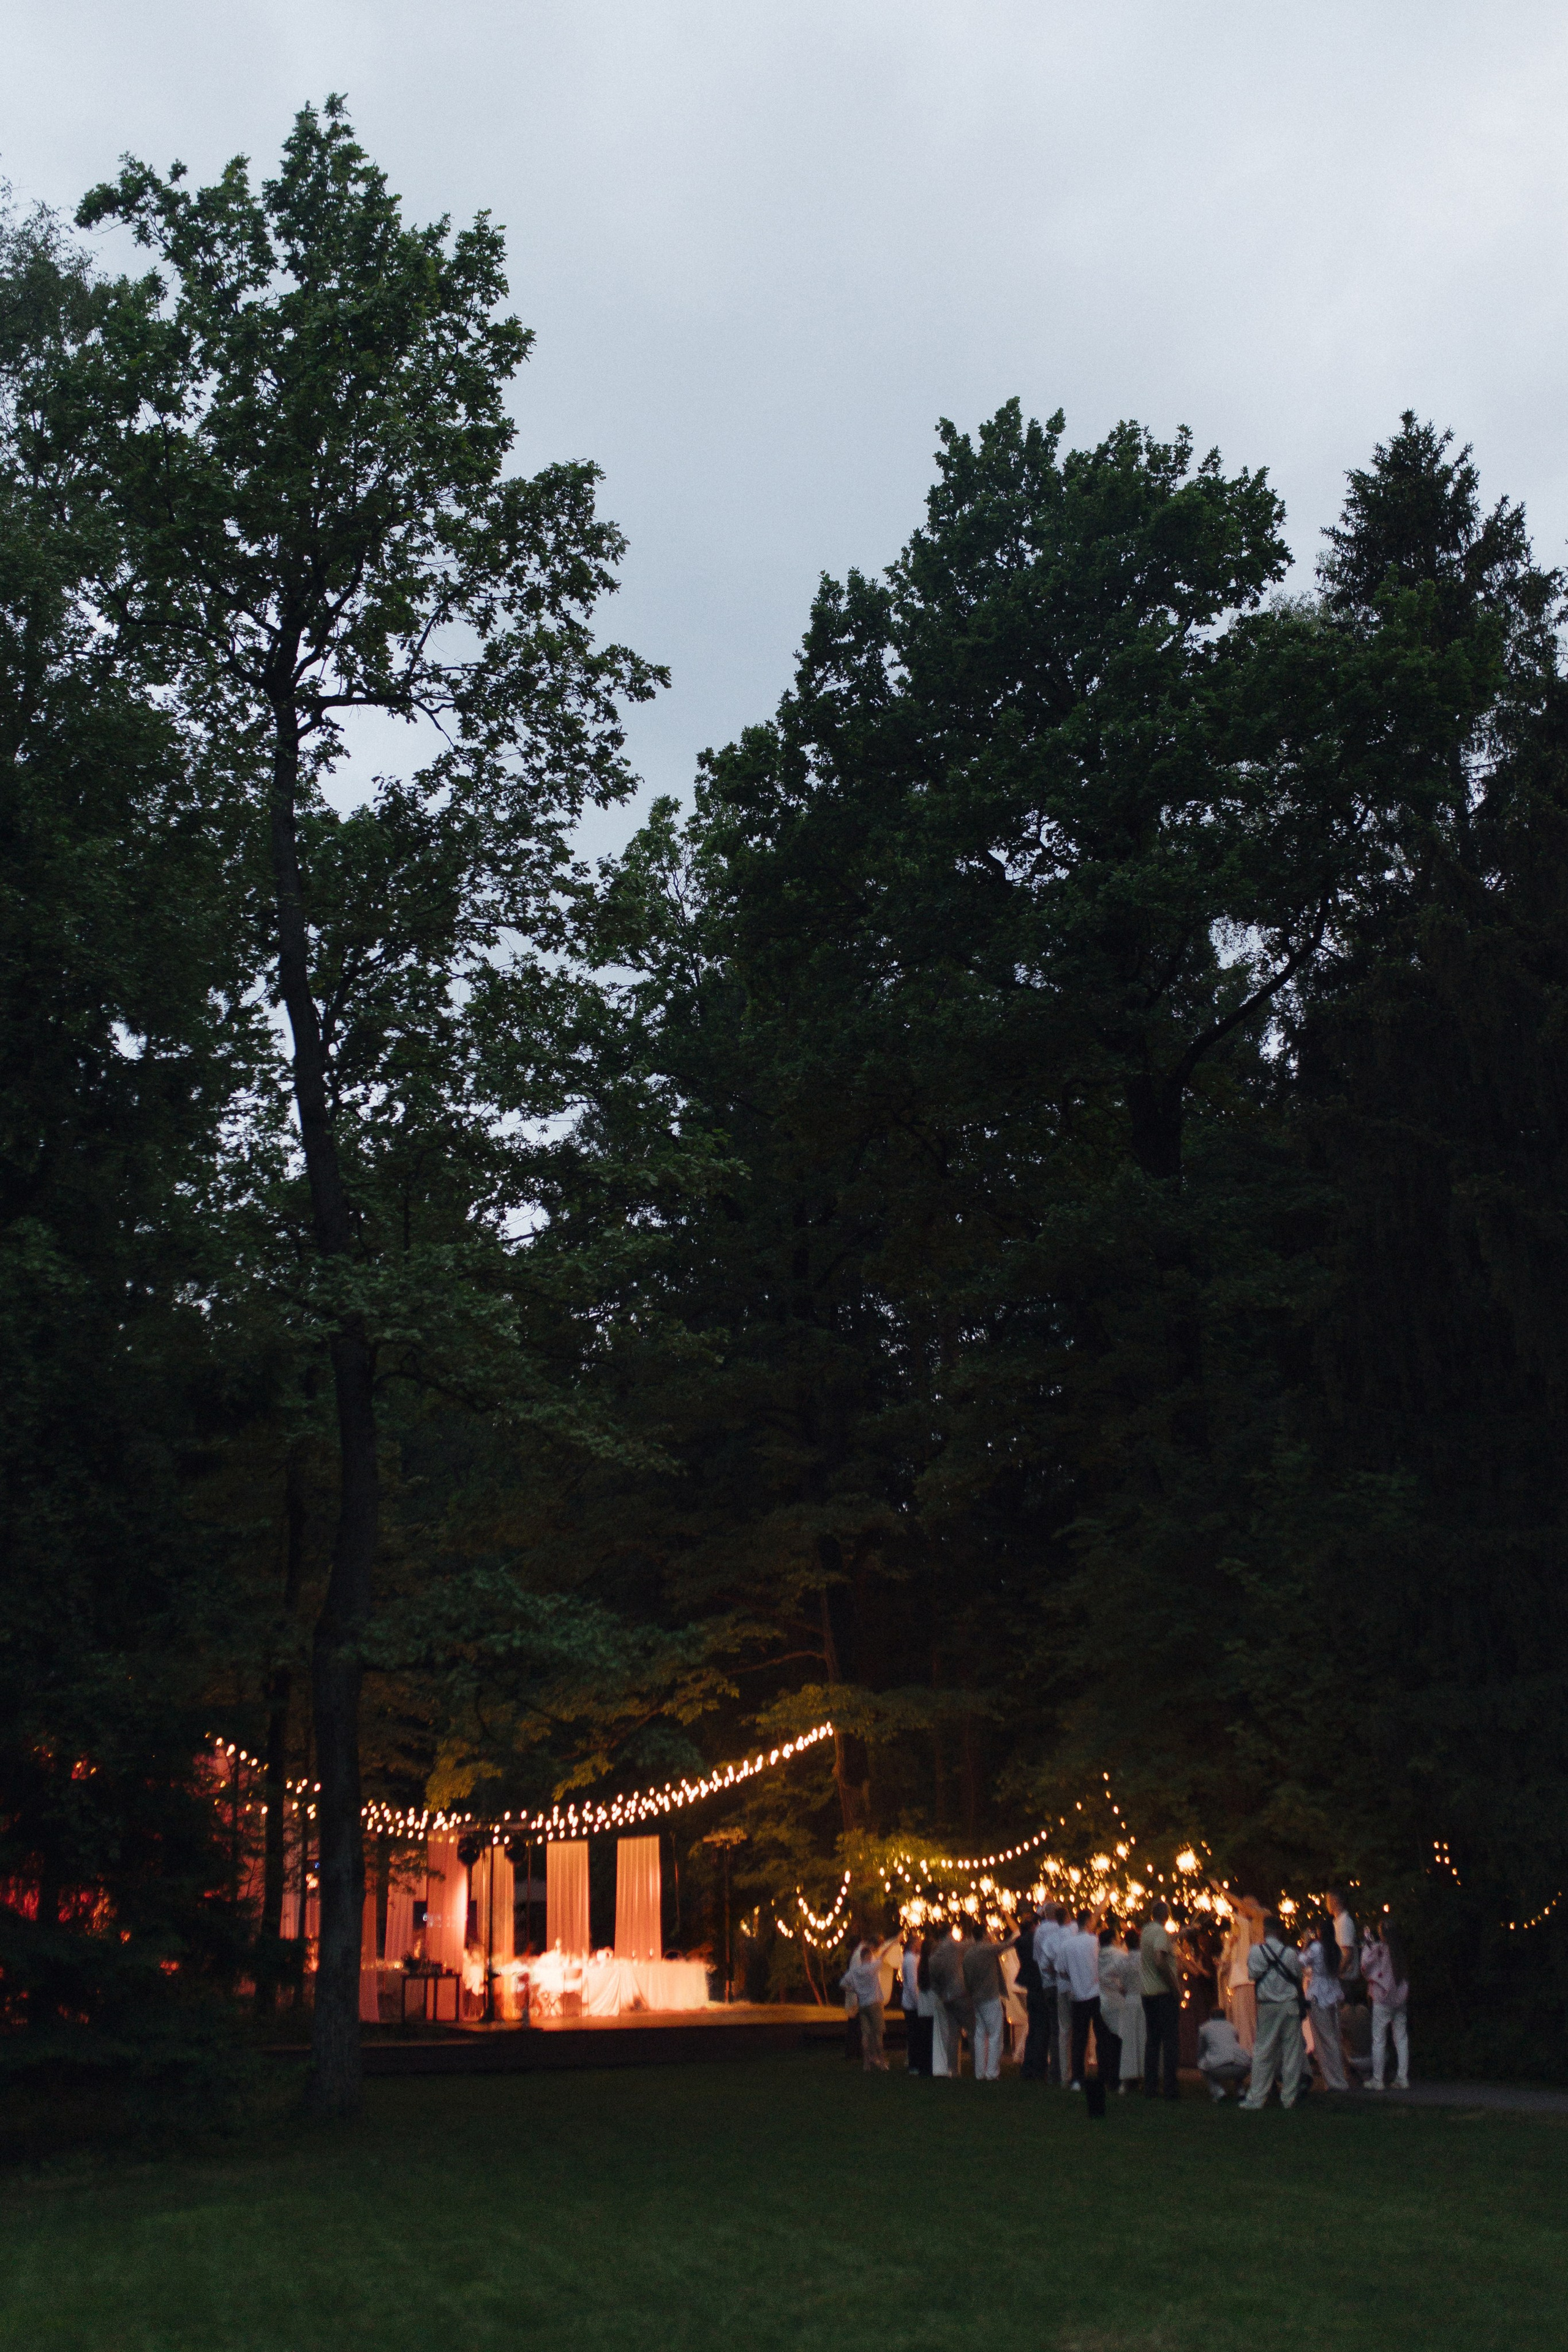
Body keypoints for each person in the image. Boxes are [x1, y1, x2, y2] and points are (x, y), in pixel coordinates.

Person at [1241, 1914, 1306, 2110]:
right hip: (1289, 2006)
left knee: (1263, 2051)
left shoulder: (1255, 1952)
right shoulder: (1290, 1953)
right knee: (1291, 2053)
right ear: (1279, 1932)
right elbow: (1297, 1976)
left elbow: (1252, 1975)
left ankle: (1256, 2098)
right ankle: (1289, 2098)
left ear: (1265, 1931)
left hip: (1267, 2006)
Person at [839, 1932, 900, 2071]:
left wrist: (853, 1990)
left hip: (863, 2004)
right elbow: (884, 1954)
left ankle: (867, 2063)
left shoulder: (855, 1970)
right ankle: (881, 2060)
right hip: (875, 2003)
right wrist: (895, 1942)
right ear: (868, 1956)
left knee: (865, 2034)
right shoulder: (872, 1968)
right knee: (878, 2033)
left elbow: (842, 1983)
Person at [1361, 1919, 1410, 2090]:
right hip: (1400, 1999)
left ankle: (1378, 2079)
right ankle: (1402, 2078)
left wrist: (1367, 1943)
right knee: (1401, 2039)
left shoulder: (1380, 1950)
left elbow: (1366, 1966)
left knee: (1379, 2040)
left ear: (1383, 1934)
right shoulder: (1401, 1953)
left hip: (1382, 2000)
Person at [1139, 1901, 1182, 2100]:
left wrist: (1182, 1934)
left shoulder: (1146, 1931)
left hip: (1147, 1993)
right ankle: (1171, 2088)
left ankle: (1151, 2086)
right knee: (1170, 2042)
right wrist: (1174, 1986)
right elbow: (1159, 1959)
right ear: (1166, 1915)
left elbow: (1161, 1944)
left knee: (1153, 2042)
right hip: (1163, 1994)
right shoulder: (1159, 1933)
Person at [1303, 1913, 1350, 2092]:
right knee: (1334, 2036)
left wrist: (1306, 1944)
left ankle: (1333, 2081)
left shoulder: (1316, 1948)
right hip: (1333, 1992)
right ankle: (1338, 2078)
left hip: (1318, 1994)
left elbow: (1302, 1961)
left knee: (1324, 2039)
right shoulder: (1336, 1949)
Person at [1063, 1907, 1107, 2089]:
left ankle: (1077, 2078)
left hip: (1077, 1996)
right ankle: (1103, 2076)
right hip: (1095, 1994)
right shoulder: (1094, 1942)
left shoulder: (1067, 1945)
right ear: (1088, 1922)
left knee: (1079, 2040)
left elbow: (1062, 1970)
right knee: (1101, 2036)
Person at [962, 1915, 1007, 2080]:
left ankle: (980, 2072)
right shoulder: (987, 1950)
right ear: (984, 1935)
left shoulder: (968, 1955)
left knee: (980, 2035)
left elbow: (966, 1978)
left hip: (976, 1998)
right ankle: (992, 2072)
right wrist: (998, 1935)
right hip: (990, 1997)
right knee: (996, 2034)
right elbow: (1005, 1946)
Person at [926, 1923, 970, 2078]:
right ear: (950, 1933)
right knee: (972, 2029)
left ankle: (953, 2070)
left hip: (946, 1998)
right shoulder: (953, 1947)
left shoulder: (933, 1958)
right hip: (960, 1995)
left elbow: (934, 1983)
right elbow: (969, 1945)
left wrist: (942, 1994)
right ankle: (979, 2067)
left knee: (953, 2034)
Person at [1031, 1904, 1068, 2085]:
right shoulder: (1062, 1931)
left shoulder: (1038, 1932)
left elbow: (1038, 1959)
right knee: (1063, 2029)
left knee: (1053, 2029)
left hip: (1046, 1984)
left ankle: (1054, 2072)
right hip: (1060, 1984)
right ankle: (1061, 2072)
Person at [1095, 1922, 1126, 2092]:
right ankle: (1117, 2078)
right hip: (1118, 2001)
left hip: (1102, 2001)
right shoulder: (1119, 1955)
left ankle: (1104, 2075)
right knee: (1118, 2041)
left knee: (1104, 2042)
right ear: (1114, 1939)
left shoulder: (1098, 1956)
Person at [1197, 2005, 1251, 2102]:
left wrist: (1201, 2058)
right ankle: (1241, 2092)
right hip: (1242, 2066)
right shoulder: (1232, 2027)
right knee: (1237, 2069)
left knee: (1202, 2064)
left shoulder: (1204, 2028)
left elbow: (1201, 2048)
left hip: (1219, 2067)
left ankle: (1219, 2092)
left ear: (1211, 2016)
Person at [1117, 1924, 1146, 2087]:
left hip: (1129, 2001)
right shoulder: (1144, 1960)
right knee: (1143, 2038)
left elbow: (1121, 1986)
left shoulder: (1124, 1961)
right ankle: (1143, 2075)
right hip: (1143, 2001)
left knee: (1129, 2041)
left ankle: (1127, 2079)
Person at [902, 1931, 932, 2076]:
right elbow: (913, 1985)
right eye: (919, 1944)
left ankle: (914, 2063)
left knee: (914, 2034)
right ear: (914, 1946)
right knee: (915, 2035)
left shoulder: (909, 1958)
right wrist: (919, 2003)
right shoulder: (911, 1961)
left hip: (909, 2002)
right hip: (912, 2004)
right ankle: (914, 2064)